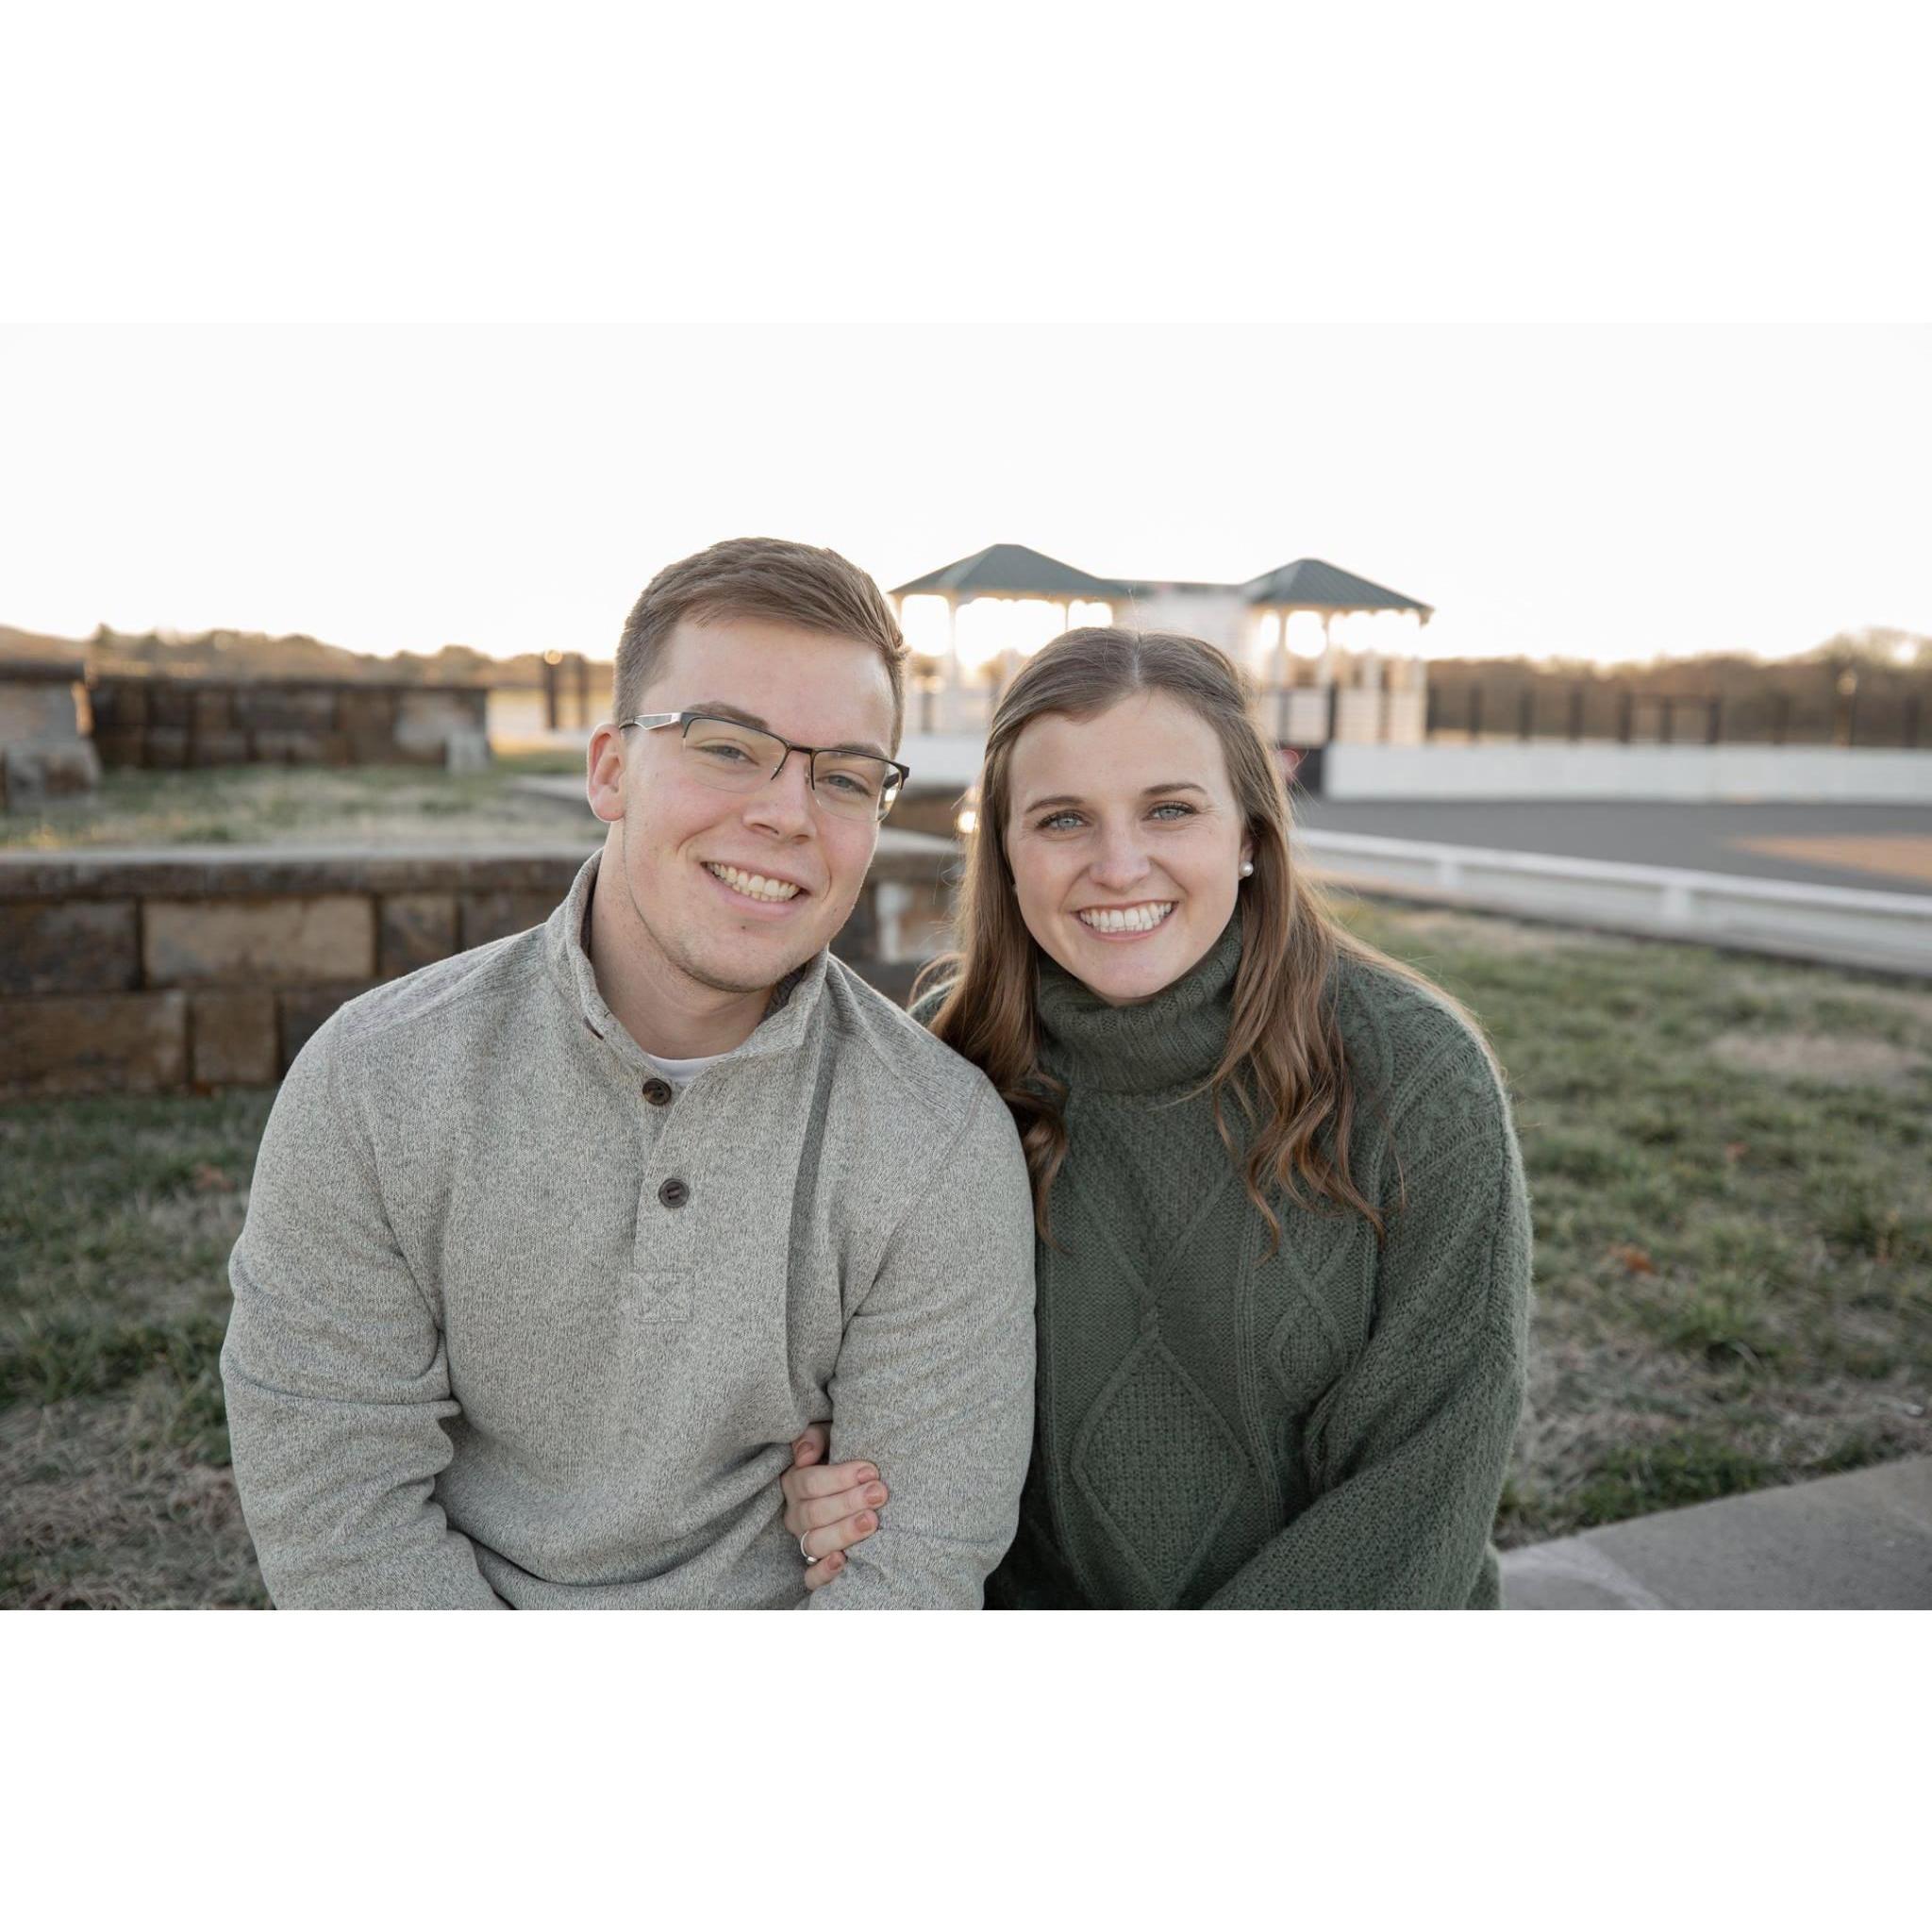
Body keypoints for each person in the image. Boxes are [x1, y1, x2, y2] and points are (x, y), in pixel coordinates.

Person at [221, 537, 1036, 1608]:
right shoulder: (374, 1079)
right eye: (728, 747)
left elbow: (913, 1562)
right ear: (610, 768)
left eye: (843, 776)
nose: (787, 813)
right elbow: (336, 1505)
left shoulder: (937, 1137)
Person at [784, 627, 1532, 1608]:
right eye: (1062, 820)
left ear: (1249, 834)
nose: (1118, 864)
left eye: (1169, 809)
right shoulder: (941, 1068)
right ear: (1003, 852)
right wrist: (837, 1477)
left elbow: (1421, 1489)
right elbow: (886, 1423)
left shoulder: (1417, 1079)